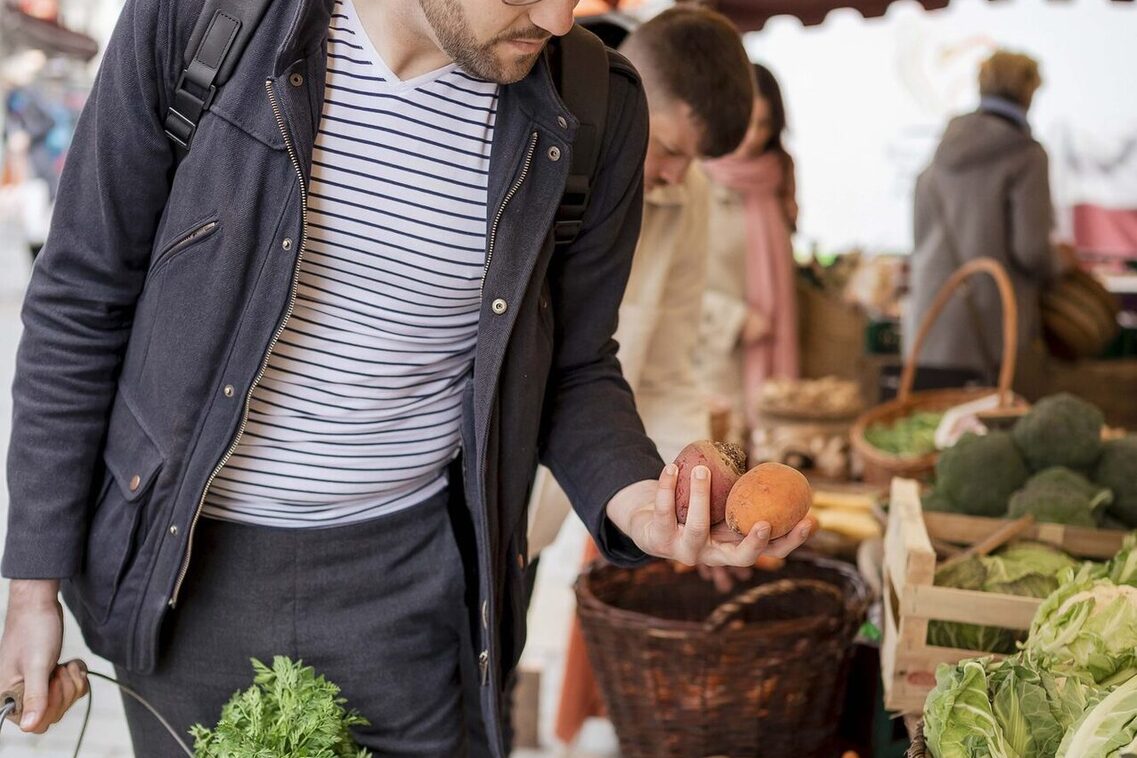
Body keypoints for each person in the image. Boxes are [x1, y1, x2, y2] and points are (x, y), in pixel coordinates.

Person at [0, 0, 814, 756]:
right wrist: (32, 585)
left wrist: (635, 500)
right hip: (186, 579)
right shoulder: (207, 18)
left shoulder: (595, 107)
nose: (561, 18)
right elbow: (82, 293)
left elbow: (572, 365)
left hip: (415, 588)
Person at [906, 49, 1067, 380]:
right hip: (988, 332)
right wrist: (1062, 261)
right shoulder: (1027, 155)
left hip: (928, 324)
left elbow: (919, 234)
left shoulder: (941, 152)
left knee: (927, 427)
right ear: (1028, 92)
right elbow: (1031, 250)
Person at [695, 62, 800, 449]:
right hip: (717, 360)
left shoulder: (776, 177)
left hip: (778, 347)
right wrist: (736, 318)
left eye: (765, 124)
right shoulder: (692, 180)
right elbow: (669, 283)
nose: (754, 137)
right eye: (746, 122)